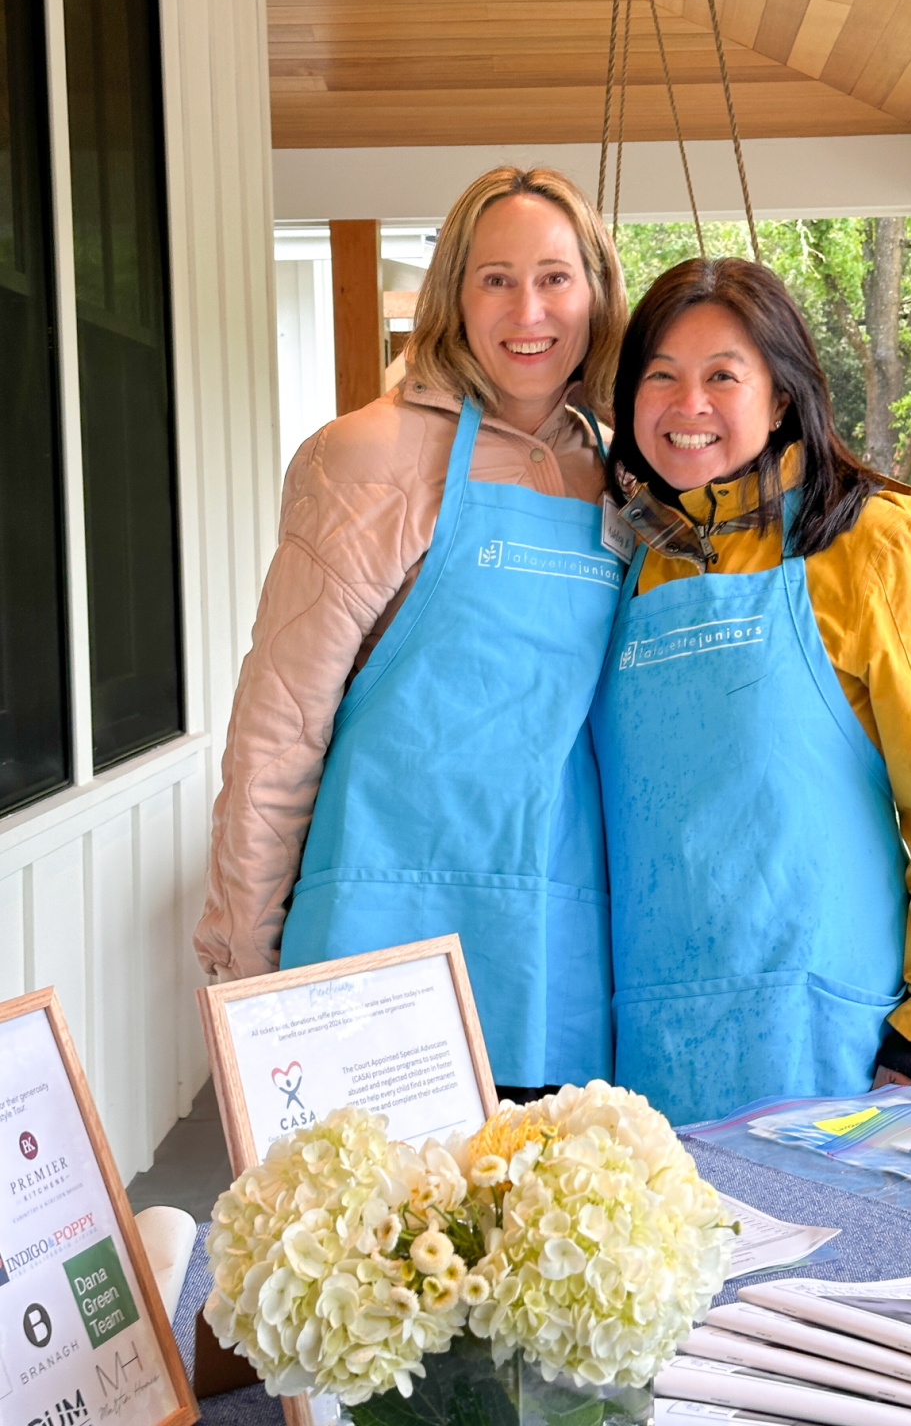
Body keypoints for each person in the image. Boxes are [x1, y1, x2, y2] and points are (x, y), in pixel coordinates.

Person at [194, 167, 628, 1100]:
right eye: (495, 277)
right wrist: (242, 966)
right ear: (453, 298)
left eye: (555, 277)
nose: (528, 309)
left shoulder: (623, 475)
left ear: (596, 293)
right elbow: (278, 731)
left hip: (557, 949)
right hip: (377, 939)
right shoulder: (367, 455)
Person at [590, 257, 911, 1127]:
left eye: (722, 376)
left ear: (781, 397)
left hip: (832, 1045)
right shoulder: (627, 566)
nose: (687, 404)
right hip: (649, 1052)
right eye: (659, 376)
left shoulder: (870, 547)